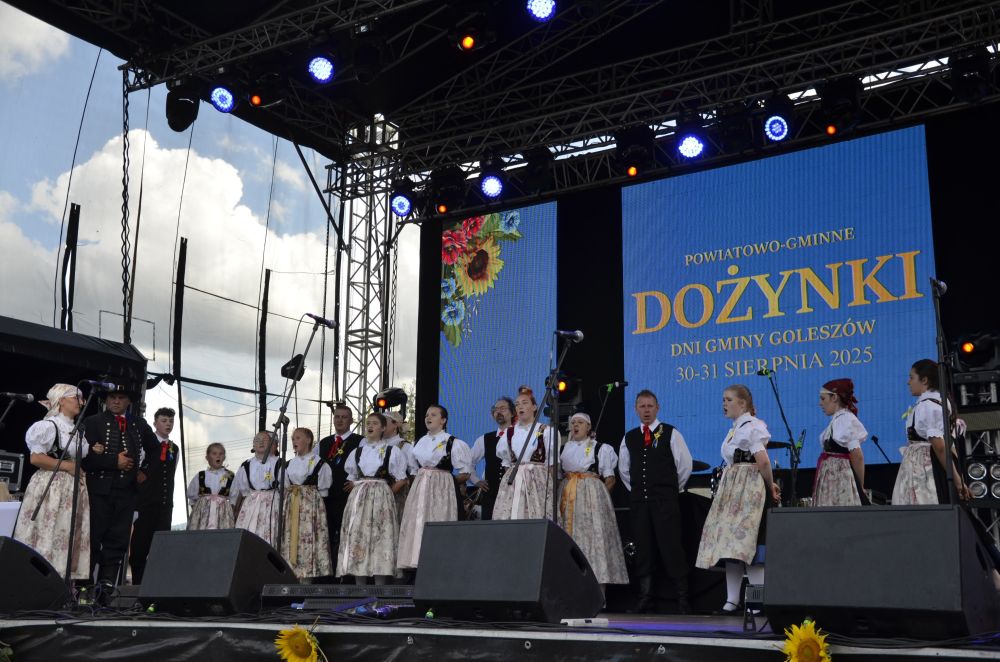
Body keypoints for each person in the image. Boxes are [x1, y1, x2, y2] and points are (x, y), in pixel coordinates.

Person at [696, 384, 781, 614]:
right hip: (733, 489)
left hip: (748, 490)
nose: (724, 404)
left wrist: (769, 486)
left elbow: (763, 461)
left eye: (729, 400)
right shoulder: (736, 428)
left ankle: (756, 602)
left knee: (748, 546)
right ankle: (732, 600)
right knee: (731, 547)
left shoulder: (752, 426)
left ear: (742, 404)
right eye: (723, 399)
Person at [619, 389, 694, 613]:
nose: (646, 410)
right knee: (643, 549)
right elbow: (624, 470)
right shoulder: (629, 437)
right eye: (642, 406)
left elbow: (685, 465)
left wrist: (670, 489)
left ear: (657, 408)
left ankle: (683, 599)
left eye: (650, 406)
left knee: (671, 547)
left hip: (665, 502)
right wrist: (639, 490)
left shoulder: (671, 433)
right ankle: (646, 598)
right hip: (640, 503)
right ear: (636, 409)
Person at [82, 384, 158, 591]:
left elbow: (154, 450)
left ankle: (106, 588)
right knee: (92, 538)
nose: (116, 401)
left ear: (128, 401)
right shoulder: (92, 422)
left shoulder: (139, 424)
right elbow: (84, 459)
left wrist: (144, 472)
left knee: (118, 541)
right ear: (106, 400)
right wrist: (113, 462)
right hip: (98, 491)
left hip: (127, 492)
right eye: (112, 397)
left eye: (121, 397)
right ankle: (84, 588)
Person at [13, 384, 90, 580]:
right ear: (61, 400)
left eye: (82, 398)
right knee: (48, 531)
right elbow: (36, 458)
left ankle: (61, 581)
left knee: (66, 532)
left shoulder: (77, 430)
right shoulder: (49, 426)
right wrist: (68, 466)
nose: (81, 402)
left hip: (71, 488)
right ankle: (38, 579)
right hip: (52, 486)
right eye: (76, 397)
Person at [559, 411, 628, 594]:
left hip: (590, 500)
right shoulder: (563, 449)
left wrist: (599, 500)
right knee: (569, 540)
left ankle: (597, 593)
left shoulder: (600, 448)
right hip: (568, 497)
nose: (575, 425)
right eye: (573, 422)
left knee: (593, 542)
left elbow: (610, 478)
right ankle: (570, 590)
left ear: (588, 427)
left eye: (580, 422)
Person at [397, 405, 472, 571]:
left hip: (442, 490)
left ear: (443, 420)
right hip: (420, 489)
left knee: (439, 519)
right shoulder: (419, 442)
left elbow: (465, 473)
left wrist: (445, 481)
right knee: (418, 522)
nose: (428, 418)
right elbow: (413, 469)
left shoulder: (453, 442)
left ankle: (440, 564)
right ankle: (416, 563)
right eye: (426, 415)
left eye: (433, 415)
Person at [338, 413, 408, 584]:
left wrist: (386, 491)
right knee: (358, 536)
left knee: (380, 537)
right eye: (368, 423)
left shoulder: (392, 451)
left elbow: (402, 479)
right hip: (360, 499)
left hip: (381, 497)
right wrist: (359, 486)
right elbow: (352, 477)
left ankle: (380, 585)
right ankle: (359, 585)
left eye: (375, 423)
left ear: (383, 428)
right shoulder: (357, 452)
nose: (370, 426)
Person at [893, 359, 971, 504]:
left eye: (911, 377)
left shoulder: (928, 406)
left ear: (924, 380)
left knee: (926, 505)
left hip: (925, 468)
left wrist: (958, 482)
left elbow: (940, 447)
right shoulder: (938, 403)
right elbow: (949, 447)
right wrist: (959, 478)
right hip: (934, 464)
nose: (908, 382)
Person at [129, 407, 179, 583]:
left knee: (161, 547)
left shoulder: (174, 448)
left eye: (171, 421)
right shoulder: (145, 444)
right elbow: (135, 471)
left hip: (164, 505)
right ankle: (137, 583)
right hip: (145, 503)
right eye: (164, 421)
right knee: (140, 546)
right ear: (155, 423)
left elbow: (170, 474)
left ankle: (156, 584)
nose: (168, 424)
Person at [493, 386, 557, 520]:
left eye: (525, 403)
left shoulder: (546, 431)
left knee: (537, 515)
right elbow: (506, 464)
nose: (520, 406)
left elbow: (552, 466)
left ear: (534, 407)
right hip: (513, 482)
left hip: (537, 482)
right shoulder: (509, 433)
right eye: (517, 404)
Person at [317, 404, 363, 576]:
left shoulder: (360, 441)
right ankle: (327, 574)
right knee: (326, 534)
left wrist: (357, 483)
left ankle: (346, 573)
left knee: (348, 534)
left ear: (351, 420)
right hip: (326, 496)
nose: (340, 420)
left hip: (347, 496)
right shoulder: (323, 443)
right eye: (337, 416)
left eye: (344, 417)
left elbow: (367, 466)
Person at [282, 427, 333, 580]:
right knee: (291, 536)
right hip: (292, 504)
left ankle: (307, 576)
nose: (294, 441)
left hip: (310, 506)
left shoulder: (319, 463)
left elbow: (324, 491)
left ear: (309, 440)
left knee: (308, 537)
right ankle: (291, 574)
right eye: (293, 439)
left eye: (298, 438)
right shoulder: (289, 464)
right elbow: (285, 486)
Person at [813, 379, 869, 506]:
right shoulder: (837, 420)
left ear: (834, 398)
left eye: (823, 399)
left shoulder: (846, 420)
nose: (820, 403)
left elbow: (857, 456)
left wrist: (859, 487)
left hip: (840, 480)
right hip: (832, 479)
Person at [231, 431, 284, 547]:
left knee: (270, 536)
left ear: (271, 444)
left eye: (264, 440)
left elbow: (285, 487)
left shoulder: (279, 463)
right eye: (257, 440)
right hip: (252, 504)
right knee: (249, 534)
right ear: (253, 445)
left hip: (272, 504)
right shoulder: (246, 465)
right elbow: (241, 490)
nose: (261, 442)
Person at [469, 396, 516, 521]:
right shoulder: (484, 439)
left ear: (512, 413)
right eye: (495, 409)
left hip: (515, 494)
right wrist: (476, 481)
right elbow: (468, 462)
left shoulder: (520, 435)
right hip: (491, 497)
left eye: (503, 408)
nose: (498, 411)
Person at [186, 442, 236, 530]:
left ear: (224, 457)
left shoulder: (230, 476)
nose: (218, 456)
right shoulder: (201, 475)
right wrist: (198, 513)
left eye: (221, 454)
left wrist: (227, 512)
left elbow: (234, 498)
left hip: (223, 514)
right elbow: (192, 499)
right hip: (202, 515)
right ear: (207, 458)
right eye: (214, 453)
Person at [383, 411, 415, 525]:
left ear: (395, 424)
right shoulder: (374, 446)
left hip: (398, 496)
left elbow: (413, 472)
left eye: (384, 422)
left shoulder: (405, 447)